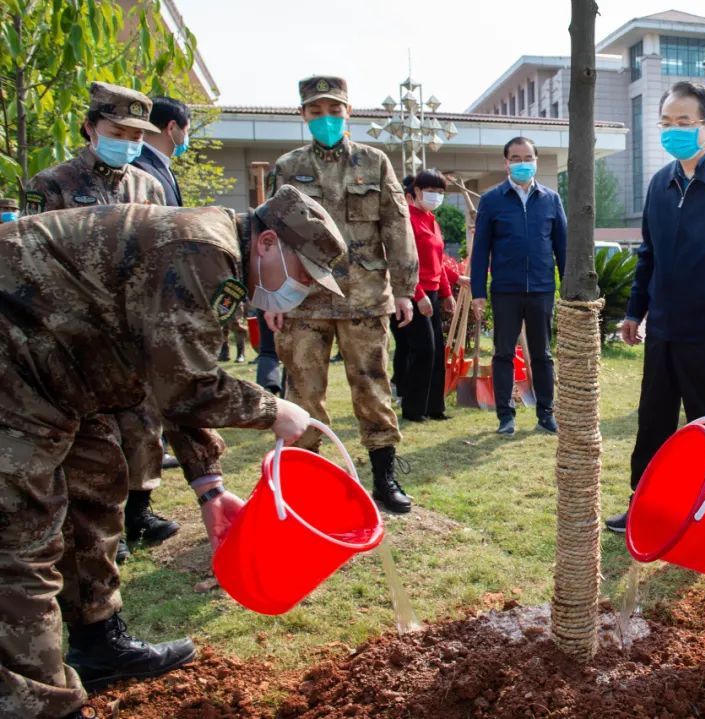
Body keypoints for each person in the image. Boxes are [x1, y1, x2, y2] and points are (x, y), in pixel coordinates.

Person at [0, 185, 343, 719]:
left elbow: (172, 373)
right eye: (302, 276)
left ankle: (97, 643)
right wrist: (273, 410)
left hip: (65, 368)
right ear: (269, 242)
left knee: (98, 484)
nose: (301, 292)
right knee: (21, 539)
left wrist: (209, 486)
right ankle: (39, 705)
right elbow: (185, 386)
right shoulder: (200, 252)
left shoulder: (220, 260)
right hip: (15, 360)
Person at [22, 82, 180, 564]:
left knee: (142, 423)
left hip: (132, 328)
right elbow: (30, 258)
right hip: (74, 332)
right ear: (91, 127)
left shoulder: (147, 185)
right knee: (94, 434)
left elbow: (161, 251)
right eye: (118, 130)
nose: (129, 141)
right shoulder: (51, 184)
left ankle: (139, 512)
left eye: (137, 133)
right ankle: (99, 525)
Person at [604, 82, 705, 533]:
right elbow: (649, 256)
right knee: (653, 422)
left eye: (684, 123)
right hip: (664, 331)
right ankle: (645, 503)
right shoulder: (660, 184)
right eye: (666, 123)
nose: (673, 131)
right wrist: (634, 312)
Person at [268, 75, 418, 514]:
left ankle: (384, 480)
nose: (326, 118)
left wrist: (405, 290)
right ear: (303, 115)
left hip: (364, 297)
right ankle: (305, 485)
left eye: (335, 110)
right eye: (316, 111)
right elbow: (273, 237)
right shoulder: (287, 165)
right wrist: (271, 298)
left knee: (373, 388)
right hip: (303, 301)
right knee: (302, 393)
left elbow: (396, 225)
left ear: (348, 112)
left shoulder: (374, 162)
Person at [470, 136, 566, 436]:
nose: (522, 163)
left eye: (527, 158)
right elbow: (481, 250)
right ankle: (505, 416)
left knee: (542, 354)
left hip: (541, 289)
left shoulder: (551, 199)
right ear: (506, 163)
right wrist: (478, 293)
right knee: (503, 354)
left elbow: (562, 247)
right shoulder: (492, 200)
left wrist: (571, 292)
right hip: (505, 291)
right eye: (516, 158)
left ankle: (546, 413)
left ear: (536, 161)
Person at [391, 170, 456, 422]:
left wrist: (446, 294)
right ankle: (413, 407)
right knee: (423, 349)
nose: (435, 196)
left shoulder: (432, 220)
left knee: (437, 350)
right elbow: (401, 261)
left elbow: (437, 262)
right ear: (416, 192)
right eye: (431, 191)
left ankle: (434, 407)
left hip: (432, 290)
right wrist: (418, 295)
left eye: (440, 193)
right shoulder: (406, 220)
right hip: (411, 292)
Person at [133, 95, 188, 207]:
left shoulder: (160, 164)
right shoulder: (138, 165)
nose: (186, 137)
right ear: (171, 127)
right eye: (187, 130)